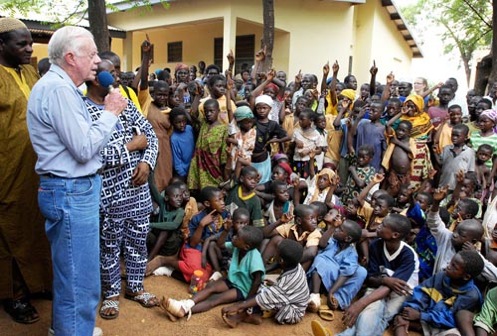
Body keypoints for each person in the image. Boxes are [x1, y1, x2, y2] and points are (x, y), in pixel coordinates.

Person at [27, 26, 127, 335]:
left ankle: (70, 329)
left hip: (71, 191)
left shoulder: (63, 88)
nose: (98, 60)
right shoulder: (57, 90)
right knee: (79, 280)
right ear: (71, 58)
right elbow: (84, 149)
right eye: (92, 53)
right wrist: (110, 113)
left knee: (73, 274)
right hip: (70, 192)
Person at [85, 59, 159, 319]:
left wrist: (147, 163)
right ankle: (112, 294)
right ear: (95, 77)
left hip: (138, 194)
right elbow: (92, 156)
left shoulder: (125, 104)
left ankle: (136, 287)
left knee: (138, 242)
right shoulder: (83, 111)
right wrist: (130, 147)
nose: (116, 77)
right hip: (109, 197)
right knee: (109, 247)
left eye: (117, 72)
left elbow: (150, 136)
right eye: (111, 72)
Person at [0, 17, 51, 325]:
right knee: (10, 230)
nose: (29, 48)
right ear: (1, 45)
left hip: (37, 167)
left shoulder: (31, 72)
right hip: (7, 169)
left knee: (36, 226)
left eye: (30, 43)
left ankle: (38, 283)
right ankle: (15, 295)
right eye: (22, 43)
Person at [338, 214, 419, 336]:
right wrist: (385, 280)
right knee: (372, 309)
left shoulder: (408, 255)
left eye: (383, 225)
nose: (379, 226)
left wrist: (360, 303)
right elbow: (371, 278)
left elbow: (393, 287)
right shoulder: (376, 245)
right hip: (379, 286)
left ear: (395, 235)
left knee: (382, 316)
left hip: (400, 293)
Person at [393, 250, 484, 336]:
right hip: (426, 318)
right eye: (450, 262)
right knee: (400, 318)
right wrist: (412, 309)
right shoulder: (440, 276)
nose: (448, 266)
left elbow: (452, 319)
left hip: (446, 326)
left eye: (454, 266)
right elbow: (421, 292)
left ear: (466, 276)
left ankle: (423, 328)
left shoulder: (471, 295)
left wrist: (421, 316)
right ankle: (421, 327)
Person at [221, 239, 310, 326]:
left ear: (281, 260)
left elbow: (265, 297)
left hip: (292, 311)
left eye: (276, 252)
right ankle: (254, 313)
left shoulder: (288, 282)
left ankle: (243, 316)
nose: (274, 253)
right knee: (262, 287)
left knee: (262, 296)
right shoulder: (295, 265)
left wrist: (239, 306)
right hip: (291, 298)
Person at [307, 220, 367, 314]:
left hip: (335, 284)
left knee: (362, 272)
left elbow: (345, 274)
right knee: (321, 259)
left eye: (340, 229)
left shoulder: (352, 254)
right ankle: (315, 295)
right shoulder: (333, 241)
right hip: (319, 279)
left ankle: (336, 301)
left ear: (347, 239)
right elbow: (322, 244)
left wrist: (332, 292)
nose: (337, 230)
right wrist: (333, 227)